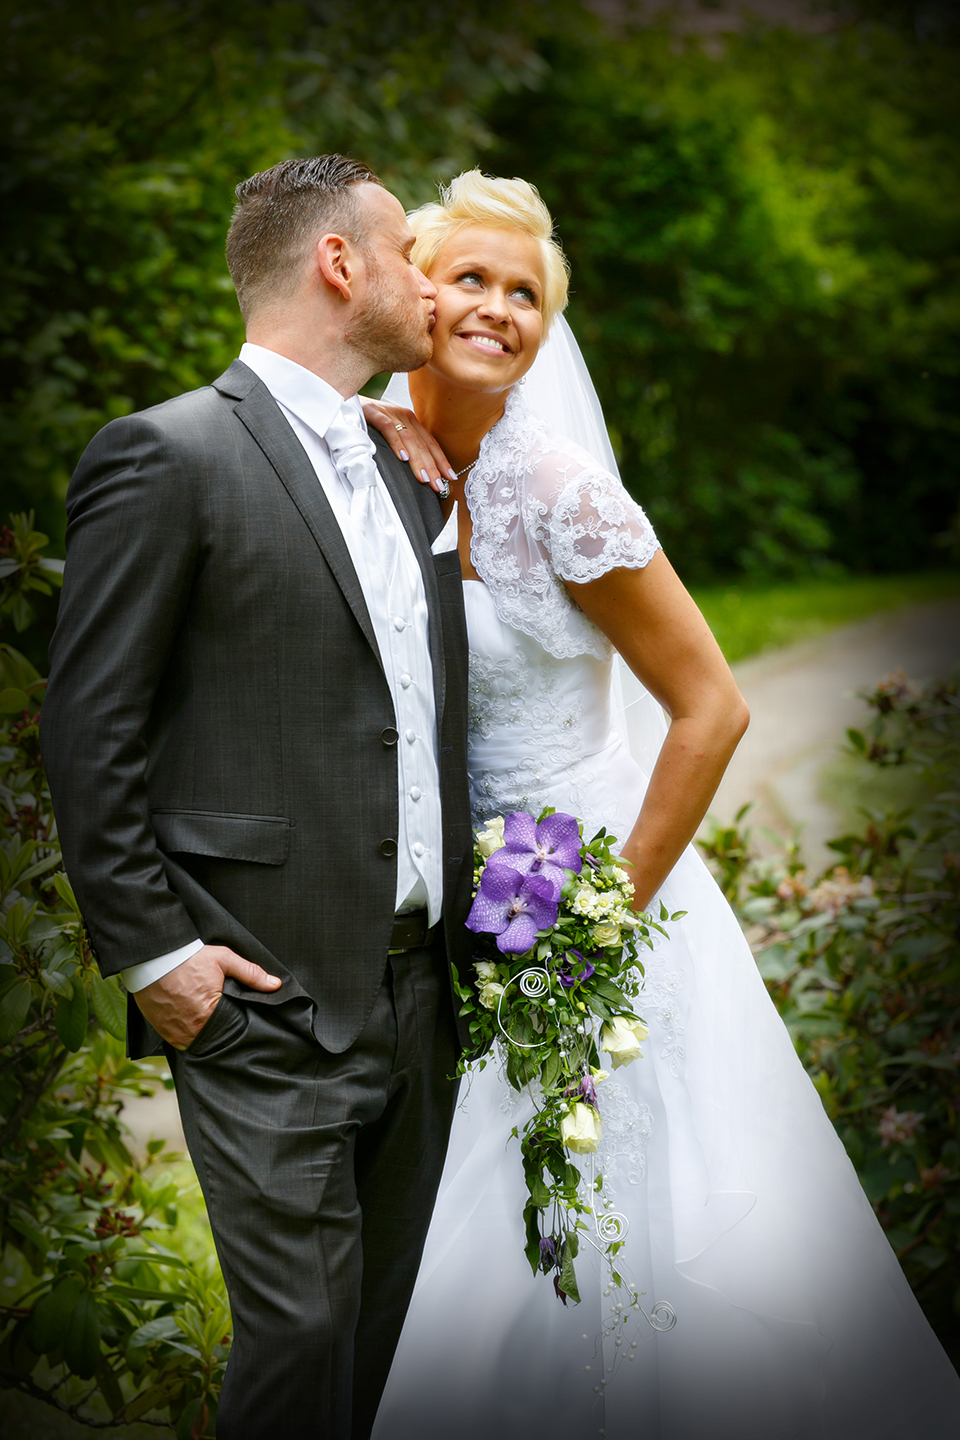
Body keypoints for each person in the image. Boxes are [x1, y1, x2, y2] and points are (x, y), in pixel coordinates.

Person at [357, 172, 960, 1439]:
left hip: (579, 897)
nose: (499, 309)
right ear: (412, 288)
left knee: (598, 1213)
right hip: (440, 908)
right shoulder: (362, 449)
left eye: (527, 294)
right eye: (471, 277)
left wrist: (599, 922)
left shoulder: (562, 489)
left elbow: (712, 709)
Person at [40, 155, 477, 1440]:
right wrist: (156, 956)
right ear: (338, 263)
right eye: (406, 252)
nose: (429, 285)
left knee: (400, 1355)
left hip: (423, 994)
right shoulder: (165, 455)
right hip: (263, 997)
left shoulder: (407, 466)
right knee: (302, 1350)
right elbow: (90, 727)